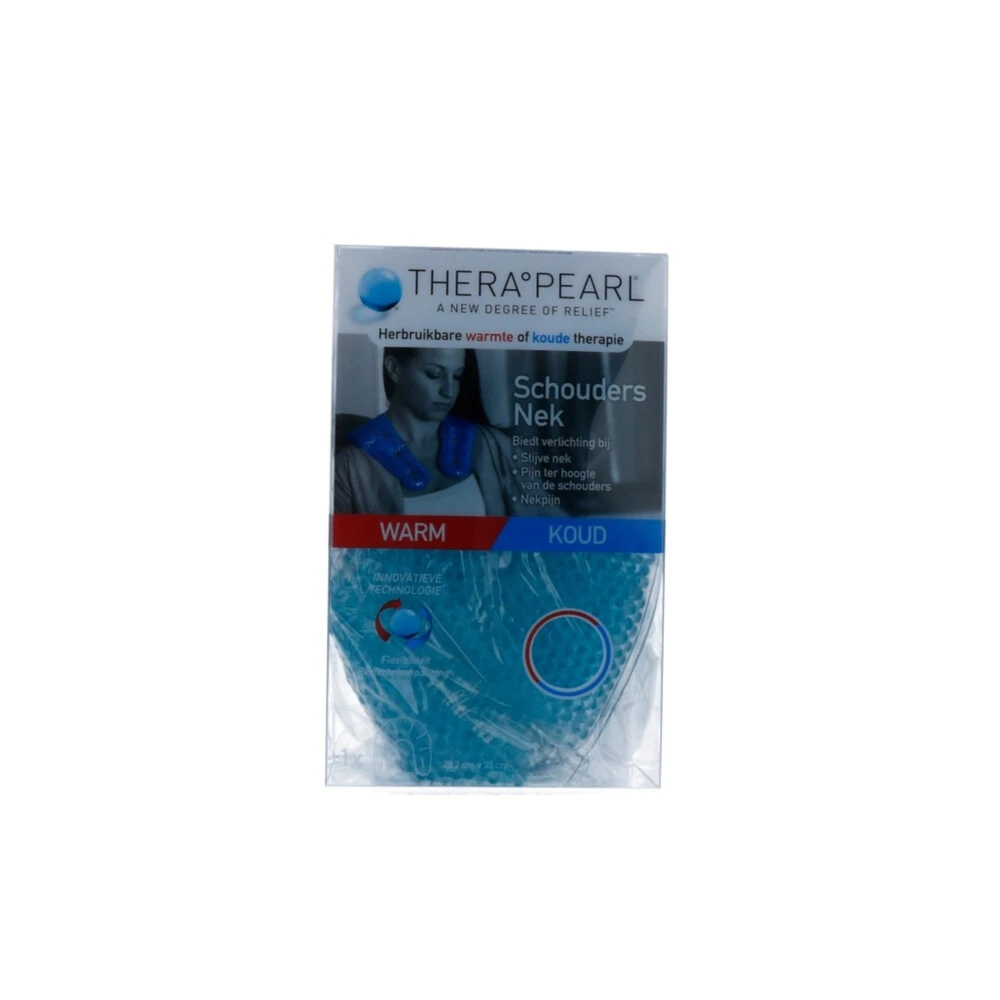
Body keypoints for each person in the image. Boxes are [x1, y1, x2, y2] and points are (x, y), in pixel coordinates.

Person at [334, 347, 531, 515]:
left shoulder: (492, 445)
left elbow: (544, 528)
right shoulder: (350, 467)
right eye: (433, 374)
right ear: (394, 369)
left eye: (457, 376)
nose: (449, 391)